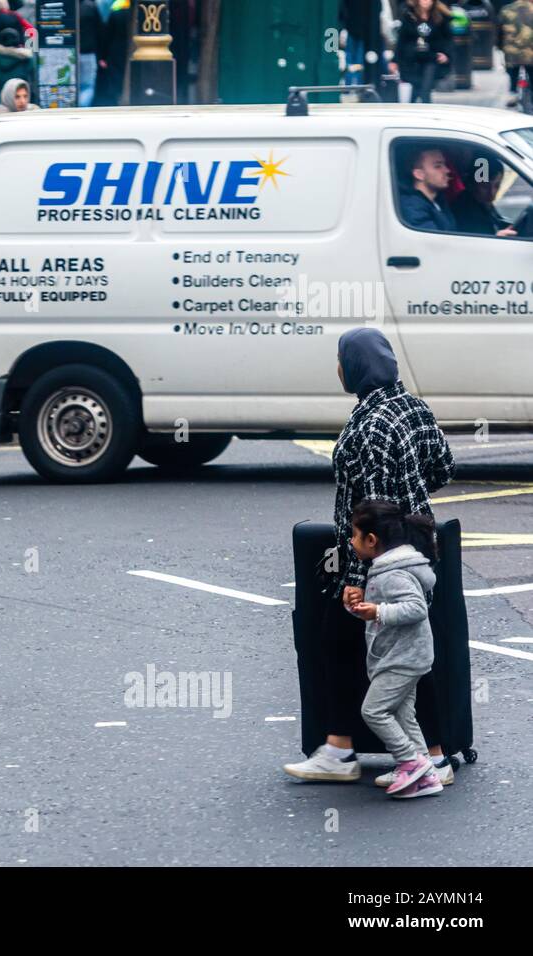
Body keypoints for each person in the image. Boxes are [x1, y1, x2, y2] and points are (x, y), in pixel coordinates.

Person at [283, 328, 456, 785]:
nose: (337, 369)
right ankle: (433, 755)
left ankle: (340, 751)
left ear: (355, 367)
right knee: (414, 649)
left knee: (338, 642)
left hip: (380, 559)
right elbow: (443, 467)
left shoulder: (370, 425)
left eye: (341, 360)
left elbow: (373, 515)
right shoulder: (413, 406)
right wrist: (412, 495)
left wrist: (360, 576)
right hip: (418, 550)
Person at [346, 500, 444, 799]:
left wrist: (377, 611)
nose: (351, 541)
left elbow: (415, 609)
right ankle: (426, 775)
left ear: (372, 540)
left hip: (403, 657)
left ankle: (409, 761)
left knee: (373, 710)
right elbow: (383, 610)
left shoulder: (393, 573)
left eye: (354, 535)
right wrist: (362, 609)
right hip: (399, 653)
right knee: (403, 715)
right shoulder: (384, 568)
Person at [392, 0, 451, 104]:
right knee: (415, 89)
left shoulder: (440, 17)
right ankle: (413, 113)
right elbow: (402, 40)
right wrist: (394, 60)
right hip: (413, 58)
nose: (426, 1)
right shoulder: (409, 15)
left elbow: (447, 39)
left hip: (431, 57)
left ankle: (426, 111)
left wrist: (446, 54)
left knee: (425, 90)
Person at [400, 148, 457, 232]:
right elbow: (434, 242)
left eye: (445, 165)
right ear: (419, 174)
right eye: (438, 166)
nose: (447, 170)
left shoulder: (438, 201)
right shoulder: (413, 207)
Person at [451, 167, 516, 237]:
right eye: (485, 186)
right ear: (471, 184)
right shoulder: (464, 211)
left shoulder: (483, 203)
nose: (492, 193)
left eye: (497, 186)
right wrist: (496, 238)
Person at [500, 0, 533, 107]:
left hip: (511, 52)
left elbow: (499, 31)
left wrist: (501, 47)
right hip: (531, 52)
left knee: (512, 71)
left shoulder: (506, 9)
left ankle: (513, 92)